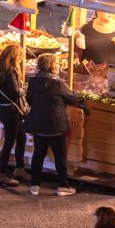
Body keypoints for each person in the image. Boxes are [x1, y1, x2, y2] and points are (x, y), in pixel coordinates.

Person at [24, 53, 84, 196]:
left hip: (39, 124)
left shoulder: (33, 81)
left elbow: (29, 99)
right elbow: (73, 99)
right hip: (57, 125)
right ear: (51, 66)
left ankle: (34, 186)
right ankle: (63, 186)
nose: (58, 66)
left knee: (38, 154)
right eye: (56, 63)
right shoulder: (58, 83)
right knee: (60, 156)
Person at [0, 42, 29, 187]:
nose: (21, 58)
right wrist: (25, 89)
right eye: (20, 55)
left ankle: (19, 168)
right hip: (11, 111)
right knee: (9, 142)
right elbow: (15, 92)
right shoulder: (11, 71)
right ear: (15, 56)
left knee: (21, 137)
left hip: (4, 109)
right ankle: (1, 174)